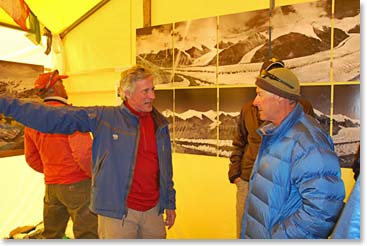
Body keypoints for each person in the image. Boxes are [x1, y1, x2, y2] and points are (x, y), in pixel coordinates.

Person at [0, 65, 176, 239]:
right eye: (145, 91)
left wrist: (169, 202)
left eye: (152, 89)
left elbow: (166, 167)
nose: (152, 96)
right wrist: (4, 104)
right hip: (118, 214)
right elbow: (51, 117)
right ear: (127, 93)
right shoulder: (105, 118)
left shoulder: (160, 123)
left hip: (154, 211)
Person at [239, 66, 345, 239]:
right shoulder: (274, 132)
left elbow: (323, 210)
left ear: (280, 97)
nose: (255, 102)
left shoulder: (309, 142)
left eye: (260, 94)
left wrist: (281, 238)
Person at [228, 58, 315, 238]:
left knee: (270, 230)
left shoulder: (303, 109)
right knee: (246, 232)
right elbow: (239, 142)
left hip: (280, 184)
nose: (256, 101)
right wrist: (236, 176)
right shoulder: (248, 109)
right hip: (247, 180)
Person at [24, 70, 98, 239]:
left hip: (52, 187)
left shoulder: (32, 118)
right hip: (77, 184)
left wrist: (53, 171)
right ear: (56, 88)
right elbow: (84, 153)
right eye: (62, 84)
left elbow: (31, 157)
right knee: (88, 235)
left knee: (52, 234)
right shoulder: (69, 114)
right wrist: (92, 175)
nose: (64, 87)